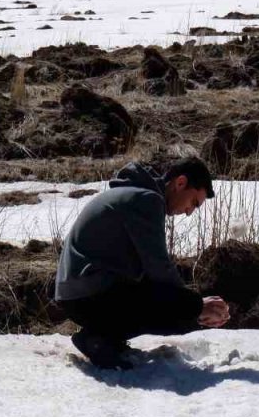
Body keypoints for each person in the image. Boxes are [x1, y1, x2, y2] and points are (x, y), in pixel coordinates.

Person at [55, 157, 231, 369]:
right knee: (169, 304)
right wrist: (195, 306)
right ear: (181, 183)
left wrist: (191, 307)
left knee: (169, 303)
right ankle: (97, 339)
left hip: (78, 293)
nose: (189, 211)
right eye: (193, 202)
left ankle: (104, 337)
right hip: (88, 295)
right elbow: (159, 269)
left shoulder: (136, 195)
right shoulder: (146, 200)